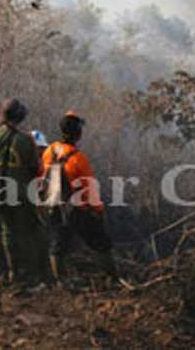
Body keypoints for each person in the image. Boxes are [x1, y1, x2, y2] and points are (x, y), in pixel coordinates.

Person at [41, 111, 118, 285]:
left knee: (57, 244)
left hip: (53, 205)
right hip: (77, 210)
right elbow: (89, 188)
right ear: (78, 134)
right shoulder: (78, 159)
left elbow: (42, 176)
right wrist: (98, 211)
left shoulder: (49, 150)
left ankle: (60, 281)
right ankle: (112, 279)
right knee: (101, 243)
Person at [0, 99, 47, 283]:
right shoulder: (25, 140)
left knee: (8, 233)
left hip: (1, 191)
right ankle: (38, 273)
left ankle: (14, 272)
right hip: (22, 192)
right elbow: (35, 168)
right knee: (33, 230)